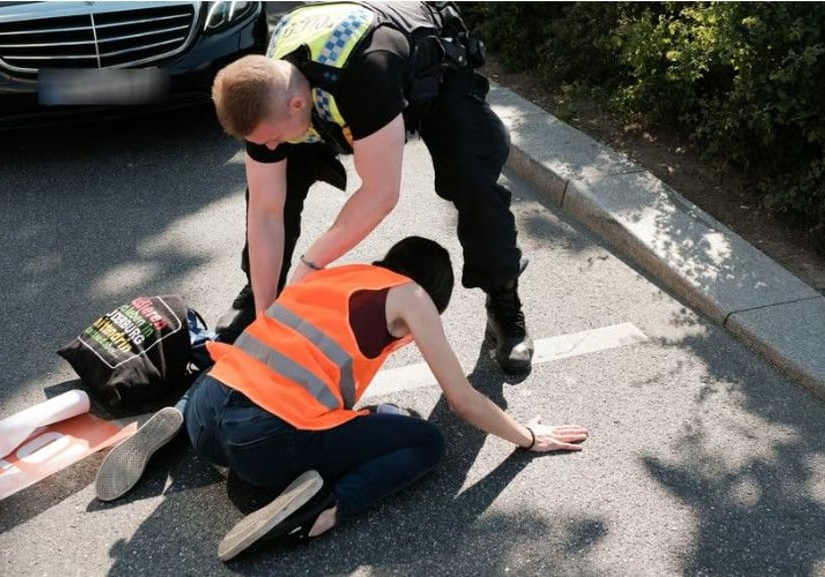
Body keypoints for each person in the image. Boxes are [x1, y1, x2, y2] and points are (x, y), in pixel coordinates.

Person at [94, 236, 588, 561]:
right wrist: (525, 437)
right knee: (426, 443)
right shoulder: (411, 297)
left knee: (240, 372)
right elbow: (460, 399)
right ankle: (320, 512)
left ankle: (177, 425)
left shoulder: (336, 275)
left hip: (209, 409)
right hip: (263, 444)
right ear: (430, 288)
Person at [210, 1, 535, 375]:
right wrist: (267, 321)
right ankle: (259, 300)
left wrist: (311, 263)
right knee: (276, 183)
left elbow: (381, 193)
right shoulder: (263, 90)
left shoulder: (364, 75)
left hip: (428, 69)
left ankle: (503, 302)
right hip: (333, 78)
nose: (268, 148)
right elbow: (265, 211)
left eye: (271, 139)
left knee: (471, 177)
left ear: (299, 104)